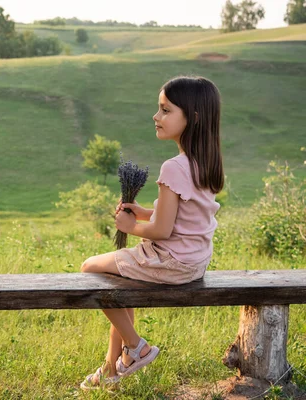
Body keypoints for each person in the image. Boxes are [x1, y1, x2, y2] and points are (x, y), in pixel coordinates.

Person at [79, 76, 224, 390]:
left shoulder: (173, 167)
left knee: (90, 269)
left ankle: (137, 347)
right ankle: (111, 368)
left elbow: (162, 229)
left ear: (193, 118)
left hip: (170, 261)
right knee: (117, 283)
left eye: (166, 110)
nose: (156, 117)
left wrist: (131, 228)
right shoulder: (204, 162)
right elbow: (182, 216)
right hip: (194, 261)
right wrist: (140, 211)